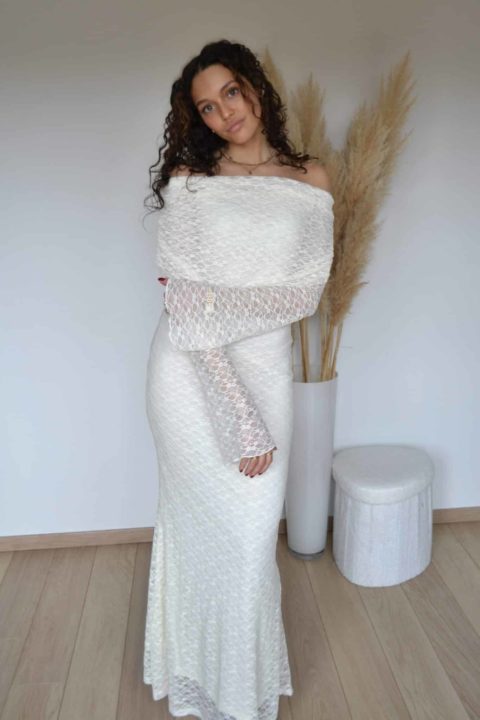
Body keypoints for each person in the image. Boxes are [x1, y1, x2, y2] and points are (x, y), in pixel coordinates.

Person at [143, 39, 334, 720]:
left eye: (230, 92)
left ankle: (241, 698)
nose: (225, 112)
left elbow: (305, 295)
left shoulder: (312, 178)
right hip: (188, 373)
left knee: (251, 544)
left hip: (265, 369)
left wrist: (214, 304)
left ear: (255, 86)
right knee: (199, 535)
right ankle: (197, 688)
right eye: (206, 107)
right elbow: (184, 306)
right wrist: (236, 414)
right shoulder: (190, 180)